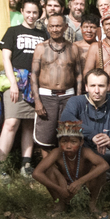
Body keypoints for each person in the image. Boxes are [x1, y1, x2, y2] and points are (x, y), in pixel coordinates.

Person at [60, 69, 110, 197]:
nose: (97, 90)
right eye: (92, 86)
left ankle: (99, 179)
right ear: (86, 87)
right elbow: (65, 121)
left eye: (101, 86)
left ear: (108, 87)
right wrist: (92, 136)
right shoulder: (76, 102)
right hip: (81, 153)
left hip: (104, 154)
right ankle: (85, 180)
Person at [0, 0, 46, 177]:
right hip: (16, 81)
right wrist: (13, 84)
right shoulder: (12, 31)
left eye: (35, 12)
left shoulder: (43, 35)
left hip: (36, 85)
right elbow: (6, 59)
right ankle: (0, 167)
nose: (31, 16)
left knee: (29, 124)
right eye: (28, 12)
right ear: (22, 12)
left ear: (39, 14)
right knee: (11, 123)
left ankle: (26, 165)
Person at [31, 13, 81, 174]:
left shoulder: (73, 48)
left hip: (68, 96)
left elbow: (79, 75)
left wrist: (78, 100)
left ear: (65, 27)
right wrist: (37, 101)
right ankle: (50, 173)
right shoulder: (41, 48)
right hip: (46, 96)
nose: (55, 29)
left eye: (58, 26)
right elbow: (33, 75)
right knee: (45, 139)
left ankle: (67, 172)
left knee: (68, 136)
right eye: (51, 26)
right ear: (47, 27)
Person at [34, 120, 110, 217]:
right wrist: (59, 189)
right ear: (59, 142)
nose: (68, 146)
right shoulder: (56, 152)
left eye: (73, 142)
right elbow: (37, 173)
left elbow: (104, 165)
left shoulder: (85, 152)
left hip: (85, 187)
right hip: (64, 188)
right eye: (64, 141)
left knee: (99, 170)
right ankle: (60, 205)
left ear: (81, 142)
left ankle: (92, 205)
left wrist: (80, 181)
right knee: (49, 169)